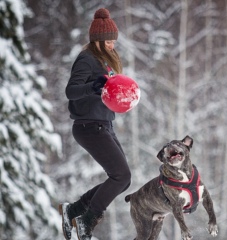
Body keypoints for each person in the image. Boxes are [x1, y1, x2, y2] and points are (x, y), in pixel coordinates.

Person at [59, 8, 131, 240]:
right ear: (97, 41)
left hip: (104, 124)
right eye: (108, 41)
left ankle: (74, 210)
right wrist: (92, 86)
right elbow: (71, 91)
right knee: (120, 175)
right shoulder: (87, 59)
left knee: (124, 180)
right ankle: (86, 221)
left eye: (113, 41)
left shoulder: (105, 60)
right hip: (89, 126)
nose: (112, 45)